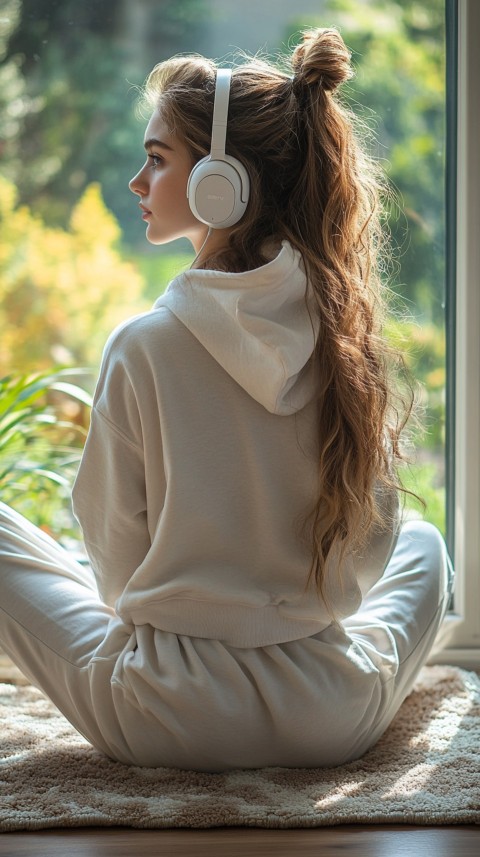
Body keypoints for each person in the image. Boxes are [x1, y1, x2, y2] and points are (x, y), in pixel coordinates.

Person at [0, 28, 453, 771]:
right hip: (330, 714)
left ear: (222, 180)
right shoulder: (346, 345)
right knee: (428, 549)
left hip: (164, 712)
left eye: (155, 158)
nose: (135, 182)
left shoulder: (143, 345)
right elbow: (369, 559)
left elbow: (116, 565)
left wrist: (182, 596)